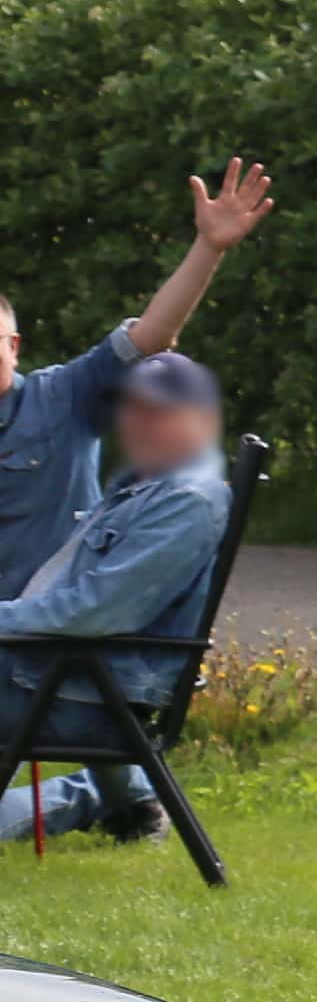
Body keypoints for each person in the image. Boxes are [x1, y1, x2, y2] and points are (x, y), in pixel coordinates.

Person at [0, 161, 275, 596]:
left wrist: (209, 246)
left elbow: (150, 337)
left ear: (14, 346)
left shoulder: (60, 398)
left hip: (35, 643)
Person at [0, 354, 235, 846]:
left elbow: (93, 611)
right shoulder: (137, 490)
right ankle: (124, 799)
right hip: (45, 671)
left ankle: (96, 795)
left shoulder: (187, 503)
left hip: (77, 689)